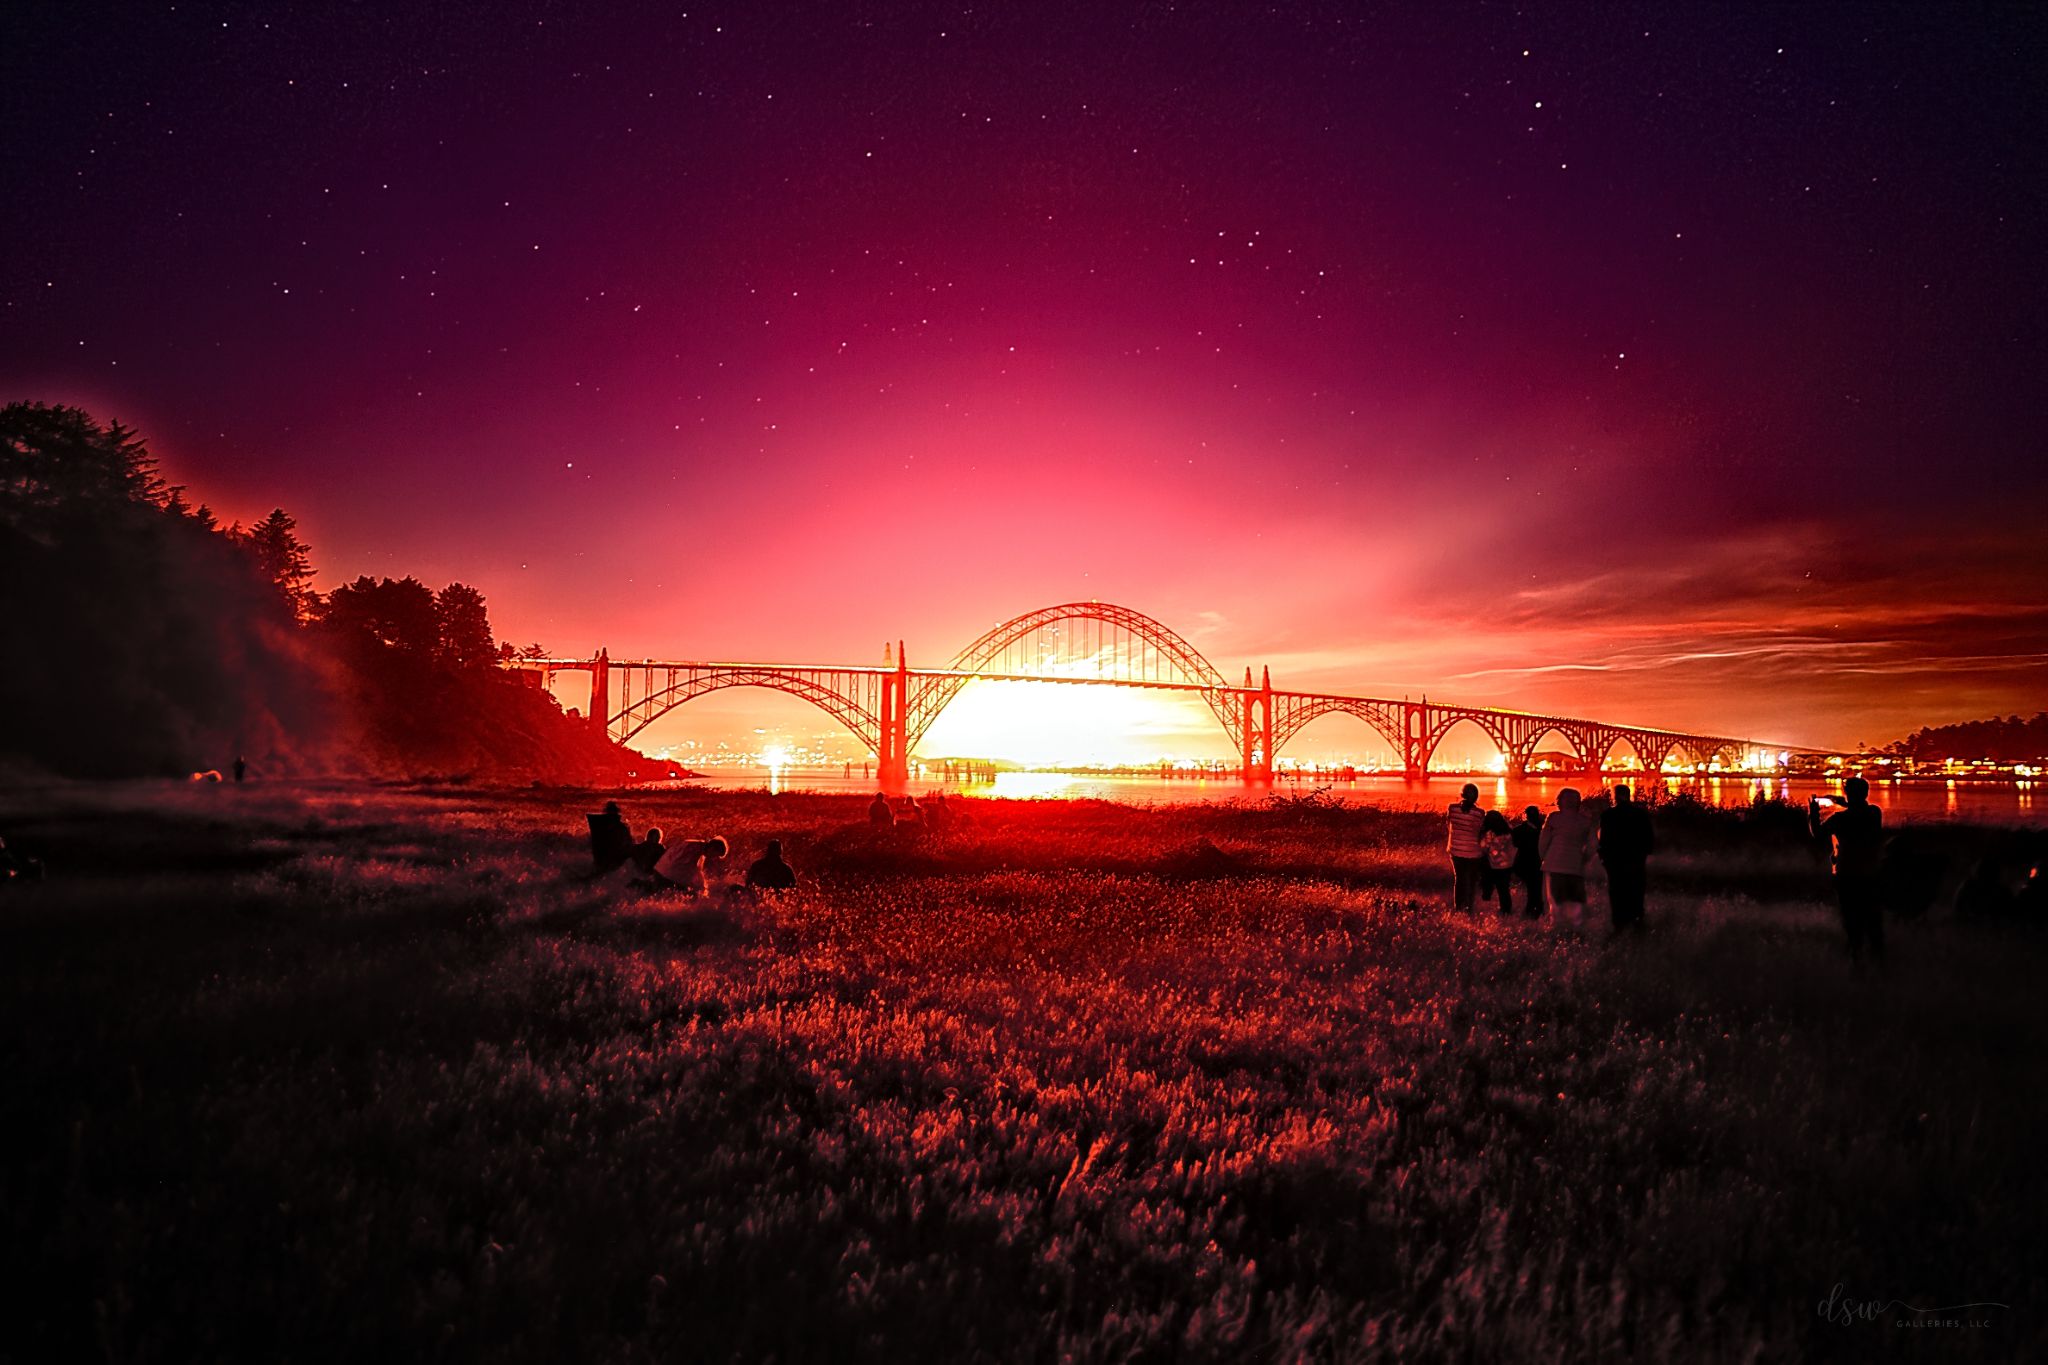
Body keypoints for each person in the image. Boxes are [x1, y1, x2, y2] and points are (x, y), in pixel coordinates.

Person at [1809, 778, 1885, 967]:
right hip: (1871, 873)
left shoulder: (1839, 819)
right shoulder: (1875, 813)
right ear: (1866, 793)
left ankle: (1855, 959)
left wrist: (1813, 813)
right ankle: (1879, 962)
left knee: (1851, 918)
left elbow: (1817, 834)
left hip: (1847, 874)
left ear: (1847, 794)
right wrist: (1844, 802)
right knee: (1873, 919)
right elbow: (1861, 810)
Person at [1598, 784, 1656, 932]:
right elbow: (1648, 836)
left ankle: (1619, 923)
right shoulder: (1640, 814)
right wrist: (1645, 853)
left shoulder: (1608, 815)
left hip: (1615, 860)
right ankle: (1637, 920)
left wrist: (1603, 856)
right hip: (1636, 859)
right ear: (1628, 795)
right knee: (1636, 889)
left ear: (1614, 796)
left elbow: (1603, 839)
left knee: (1617, 891)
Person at [1538, 788, 1597, 929]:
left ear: (1560, 802)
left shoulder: (1553, 818)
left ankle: (1557, 930)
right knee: (1575, 901)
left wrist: (1544, 858)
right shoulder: (1585, 822)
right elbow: (1593, 845)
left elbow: (1543, 842)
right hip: (1575, 866)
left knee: (1555, 901)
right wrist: (1584, 859)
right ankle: (1576, 931)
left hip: (1554, 865)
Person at [1444, 783, 1487, 912]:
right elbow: (1480, 830)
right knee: (1472, 880)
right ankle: (1469, 907)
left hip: (1456, 849)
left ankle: (1458, 906)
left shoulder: (1452, 808)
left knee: (1459, 878)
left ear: (1461, 795)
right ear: (1476, 797)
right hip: (1473, 851)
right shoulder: (1479, 813)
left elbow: (1448, 825)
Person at [652, 835, 728, 896]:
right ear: (712, 848)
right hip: (664, 875)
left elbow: (695, 872)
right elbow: (686, 869)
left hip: (663, 872)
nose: (713, 858)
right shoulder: (694, 848)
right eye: (715, 855)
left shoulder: (699, 849)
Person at [1511, 805, 1546, 919]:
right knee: (1535, 888)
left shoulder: (1518, 830)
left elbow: (1515, 843)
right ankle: (1535, 910)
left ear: (1526, 816)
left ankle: (1533, 910)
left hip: (1525, 862)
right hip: (1535, 862)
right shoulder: (1542, 830)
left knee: (1533, 888)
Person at [1480, 809, 1517, 915]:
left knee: (1492, 882)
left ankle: (1487, 896)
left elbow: (1484, 847)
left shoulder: (1490, 833)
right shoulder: (1508, 830)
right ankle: (1506, 909)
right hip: (1508, 863)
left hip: (1494, 864)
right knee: (1504, 888)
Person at [588, 800, 633, 873]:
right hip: (610, 859)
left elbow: (627, 843)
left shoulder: (600, 827)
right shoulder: (619, 827)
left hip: (609, 859)